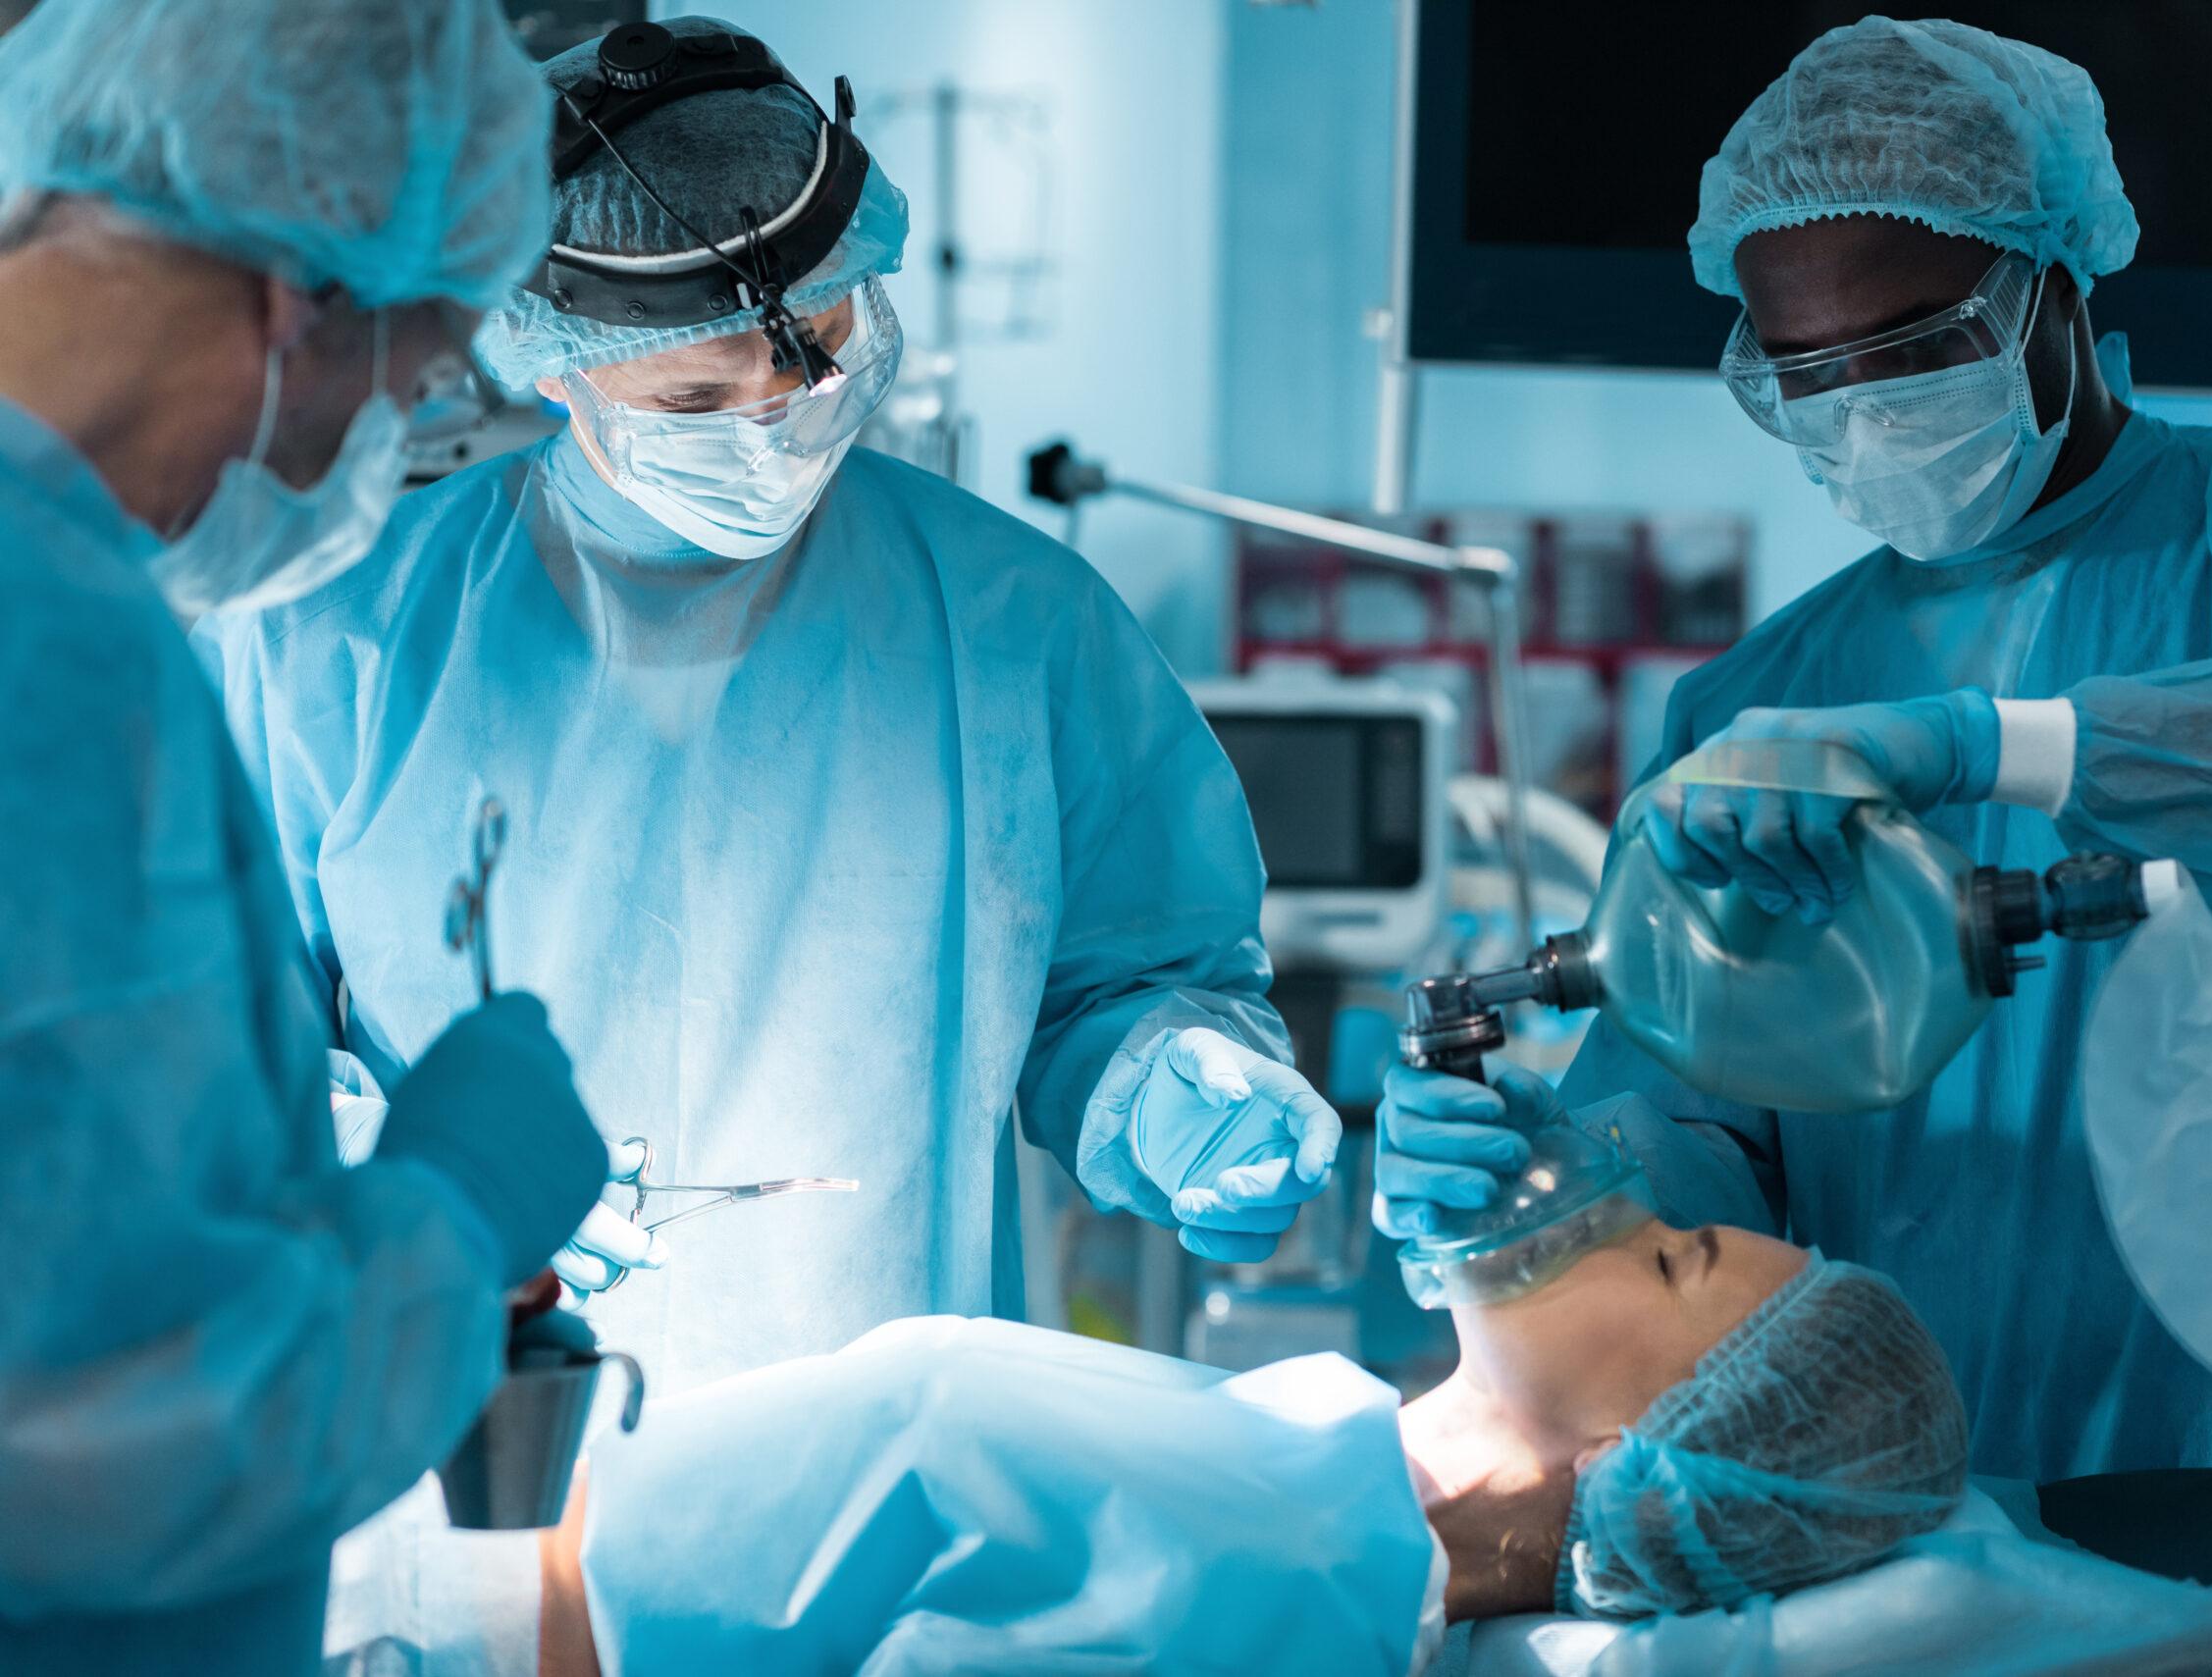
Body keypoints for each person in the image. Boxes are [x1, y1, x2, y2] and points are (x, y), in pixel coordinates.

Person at [1375, 19, 2212, 1677]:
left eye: (1915, 346)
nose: (1870, 410)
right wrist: (1567, 1175)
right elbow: (1706, 1121)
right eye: (1810, 374)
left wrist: (2004, 746)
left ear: (2060, 282)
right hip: (1916, 1520)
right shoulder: (1754, 703)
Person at [196, 12, 1341, 1404]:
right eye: (694, 390)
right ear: (542, 356)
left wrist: (1179, 1089)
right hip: (456, 1413)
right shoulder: (342, 636)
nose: (775, 419)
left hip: (876, 1451)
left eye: (815, 355)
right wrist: (428, 1186)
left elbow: (1127, 976)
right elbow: (223, 1048)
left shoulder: (1015, 623)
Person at [0, 3, 612, 1674]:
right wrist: (447, 1211)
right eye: (414, 384)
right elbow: (109, 1439)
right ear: (308, 297)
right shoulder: (49, 654)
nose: (379, 451)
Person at [519, 1219, 1964, 1675]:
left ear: (1648, 1448)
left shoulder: (1281, 1559)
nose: (1607, 1205)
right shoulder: (1301, 1490)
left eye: (1664, 1256)